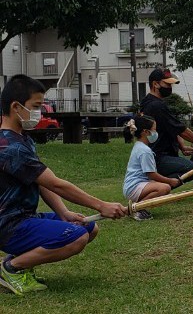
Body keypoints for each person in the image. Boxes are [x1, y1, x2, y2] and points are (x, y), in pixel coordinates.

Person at [0, 75, 126, 295]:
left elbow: (42, 183)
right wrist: (101, 205)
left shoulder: (24, 140)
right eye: (36, 106)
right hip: (8, 226)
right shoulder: (10, 147)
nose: (41, 112)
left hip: (25, 219)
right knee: (76, 238)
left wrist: (64, 212)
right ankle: (11, 268)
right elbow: (57, 184)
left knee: (88, 227)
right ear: (15, 107)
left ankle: (17, 262)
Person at [139, 68, 193, 179]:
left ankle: (155, 187)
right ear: (155, 84)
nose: (170, 88)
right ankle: (157, 188)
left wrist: (182, 146)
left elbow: (171, 126)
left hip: (157, 155)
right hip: (158, 156)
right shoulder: (156, 106)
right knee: (191, 170)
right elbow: (181, 130)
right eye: (167, 84)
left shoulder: (148, 101)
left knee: (189, 170)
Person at [122, 115, 182, 221]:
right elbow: (151, 174)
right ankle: (138, 209)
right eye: (154, 130)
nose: (156, 133)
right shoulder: (145, 151)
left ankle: (137, 207)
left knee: (164, 189)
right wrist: (170, 181)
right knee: (165, 188)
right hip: (134, 187)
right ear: (145, 132)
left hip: (135, 185)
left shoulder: (140, 146)